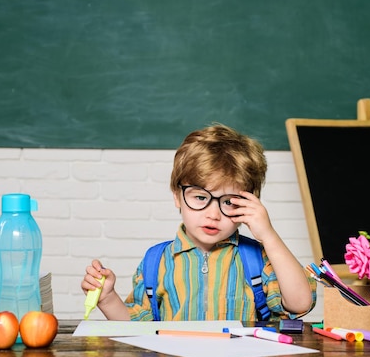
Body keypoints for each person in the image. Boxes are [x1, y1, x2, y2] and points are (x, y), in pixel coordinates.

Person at [81, 123, 315, 321]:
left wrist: (268, 235)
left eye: (229, 202)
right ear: (177, 196)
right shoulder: (156, 261)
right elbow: (137, 327)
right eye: (201, 197)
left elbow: (300, 304)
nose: (213, 214)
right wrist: (108, 299)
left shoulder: (257, 259)